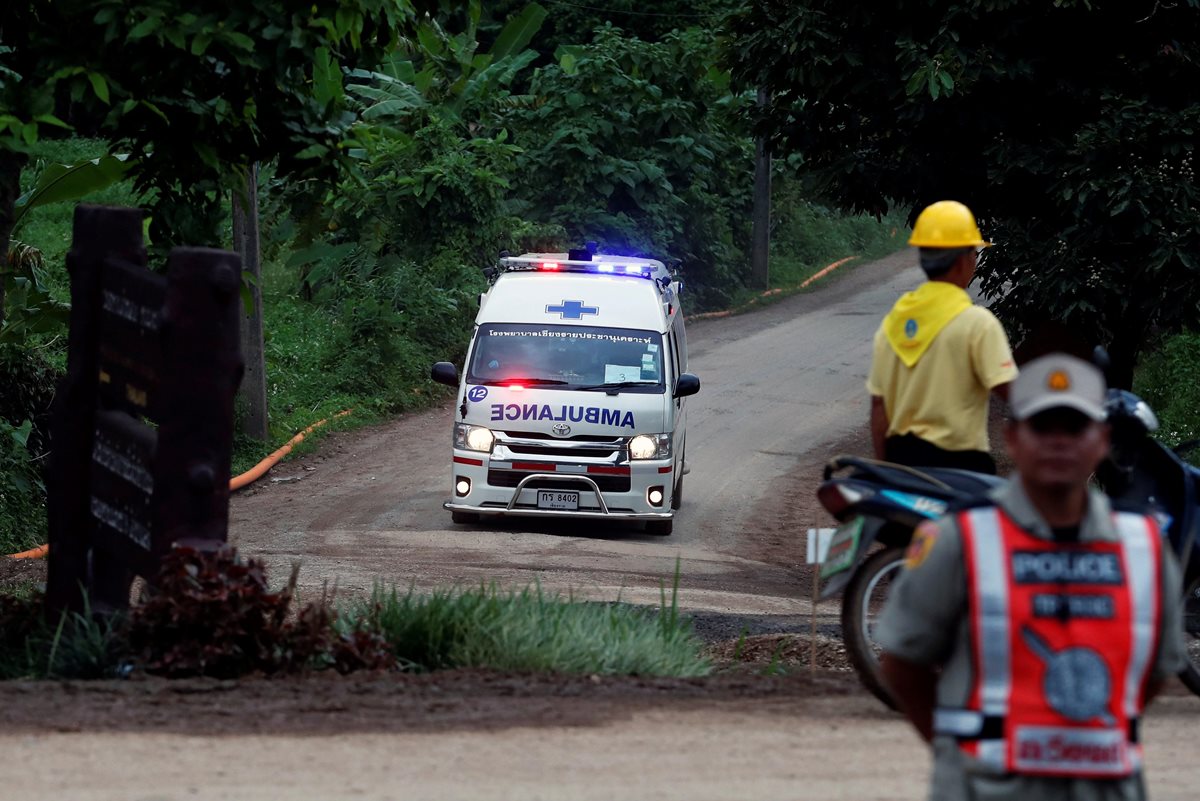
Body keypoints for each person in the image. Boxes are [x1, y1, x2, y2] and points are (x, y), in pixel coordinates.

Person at [876, 353, 1186, 801]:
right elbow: (903, 665)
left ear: (1101, 440)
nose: (1059, 442)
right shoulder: (959, 538)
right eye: (1043, 427)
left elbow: (1156, 671)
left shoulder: (1144, 547)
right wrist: (957, 752)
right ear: (1013, 439)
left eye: (1074, 427)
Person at [867, 200, 1018, 474]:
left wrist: (887, 473)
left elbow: (879, 407)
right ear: (964, 260)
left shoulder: (893, 323)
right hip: (963, 470)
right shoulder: (978, 324)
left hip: (905, 468)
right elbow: (1015, 395)